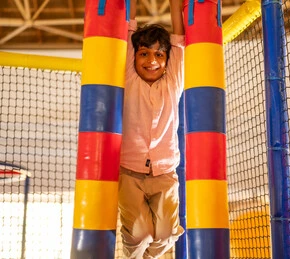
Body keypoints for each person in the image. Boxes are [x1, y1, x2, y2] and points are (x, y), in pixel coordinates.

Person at [118, 0, 185, 258]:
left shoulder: (173, 82)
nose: (152, 60)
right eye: (144, 53)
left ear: (168, 61)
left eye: (159, 55)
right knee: (140, 233)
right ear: (134, 56)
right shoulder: (128, 78)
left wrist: (175, 4)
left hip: (165, 172)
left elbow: (178, 40)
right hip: (129, 171)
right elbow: (128, 29)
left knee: (167, 234)